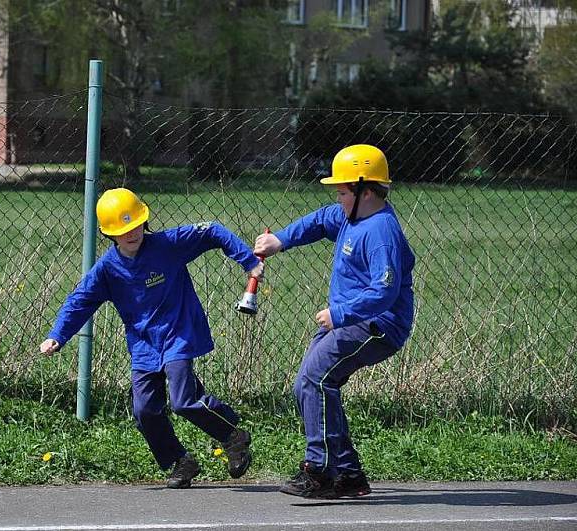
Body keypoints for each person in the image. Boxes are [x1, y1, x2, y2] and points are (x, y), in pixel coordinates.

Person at [40, 187, 264, 489]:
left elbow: (212, 230)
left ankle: (233, 437)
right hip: (144, 345)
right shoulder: (107, 270)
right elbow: (79, 301)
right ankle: (180, 462)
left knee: (184, 401)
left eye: (136, 225)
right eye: (123, 230)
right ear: (109, 234)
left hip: (178, 333)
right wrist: (58, 335)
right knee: (144, 410)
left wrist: (247, 260)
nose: (132, 233)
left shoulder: (167, 245)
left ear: (144, 221)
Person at [254, 144, 415, 499]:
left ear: (366, 191)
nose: (338, 198)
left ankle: (320, 472)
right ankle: (349, 474)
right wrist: (280, 240)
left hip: (377, 325)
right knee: (309, 386)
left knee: (315, 380)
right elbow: (318, 220)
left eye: (343, 192)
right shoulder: (350, 216)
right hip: (346, 323)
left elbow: (385, 291)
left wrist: (339, 314)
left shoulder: (380, 232)